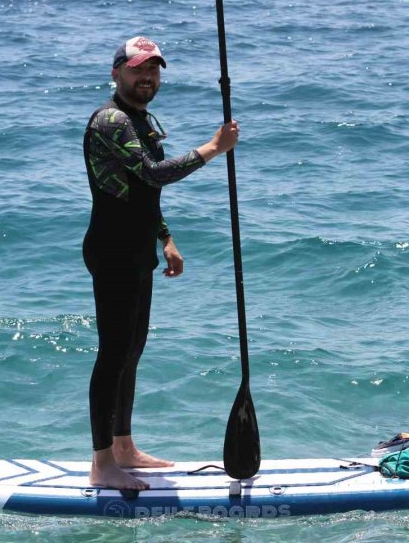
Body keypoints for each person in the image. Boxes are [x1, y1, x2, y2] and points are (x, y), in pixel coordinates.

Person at [82, 35, 239, 491]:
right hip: (112, 250)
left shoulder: (140, 119)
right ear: (117, 73)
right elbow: (155, 174)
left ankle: (123, 447)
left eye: (153, 69)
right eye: (137, 69)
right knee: (113, 354)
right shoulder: (111, 120)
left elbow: (141, 191)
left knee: (132, 350)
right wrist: (213, 148)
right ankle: (101, 464)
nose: (147, 77)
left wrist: (164, 237)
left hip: (136, 249)